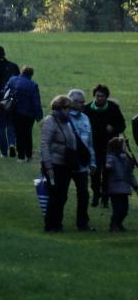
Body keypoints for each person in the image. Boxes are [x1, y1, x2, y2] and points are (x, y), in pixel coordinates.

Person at [41, 95, 91, 233]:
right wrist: (48, 166)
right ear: (61, 108)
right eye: (68, 108)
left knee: (62, 196)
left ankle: (58, 224)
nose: (70, 111)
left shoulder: (65, 122)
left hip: (64, 165)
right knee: (55, 196)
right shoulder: (50, 121)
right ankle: (51, 225)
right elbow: (45, 144)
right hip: (54, 164)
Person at [85, 85, 127, 208]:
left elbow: (122, 125)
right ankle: (96, 194)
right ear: (94, 96)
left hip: (110, 148)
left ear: (106, 97)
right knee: (95, 173)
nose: (99, 98)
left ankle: (105, 197)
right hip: (93, 147)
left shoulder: (113, 108)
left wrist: (114, 128)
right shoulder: (87, 109)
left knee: (108, 173)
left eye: (102, 96)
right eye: (97, 96)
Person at [68, 89, 97, 230]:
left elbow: (90, 144)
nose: (83, 105)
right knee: (60, 195)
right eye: (81, 102)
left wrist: (93, 162)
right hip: (65, 163)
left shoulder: (85, 118)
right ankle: (55, 223)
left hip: (82, 164)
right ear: (72, 103)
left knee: (84, 195)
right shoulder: (64, 118)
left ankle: (82, 223)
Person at [0, 46, 21, 158]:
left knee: (1, 125)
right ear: (4, 53)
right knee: (11, 123)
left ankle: (3, 152)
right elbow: (18, 81)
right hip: (10, 99)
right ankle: (12, 143)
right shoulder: (13, 66)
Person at [4, 66, 43, 163]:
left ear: (22, 71)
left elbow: (5, 91)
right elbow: (36, 101)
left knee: (19, 134)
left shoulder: (13, 80)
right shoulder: (33, 85)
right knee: (27, 133)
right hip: (29, 114)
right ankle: (29, 155)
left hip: (15, 111)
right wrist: (39, 115)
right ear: (31, 74)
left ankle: (21, 156)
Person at [104, 136, 137, 231]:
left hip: (124, 188)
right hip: (115, 189)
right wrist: (107, 166)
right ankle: (114, 225)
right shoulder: (111, 157)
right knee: (118, 209)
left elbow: (129, 174)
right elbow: (108, 165)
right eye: (123, 145)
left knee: (124, 210)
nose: (125, 147)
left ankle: (119, 223)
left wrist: (135, 185)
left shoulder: (125, 159)